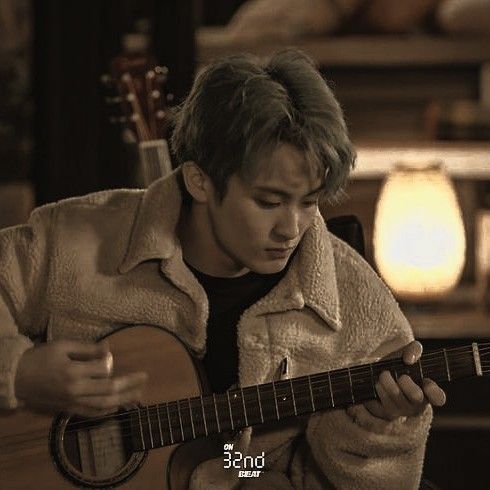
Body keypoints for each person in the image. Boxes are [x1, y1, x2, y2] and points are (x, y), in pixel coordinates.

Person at [0, 49, 445, 489]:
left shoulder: (354, 300)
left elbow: (248, 465)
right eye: (268, 202)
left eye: (308, 202)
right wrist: (17, 371)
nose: (291, 229)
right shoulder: (76, 238)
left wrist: (374, 430)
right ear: (199, 181)